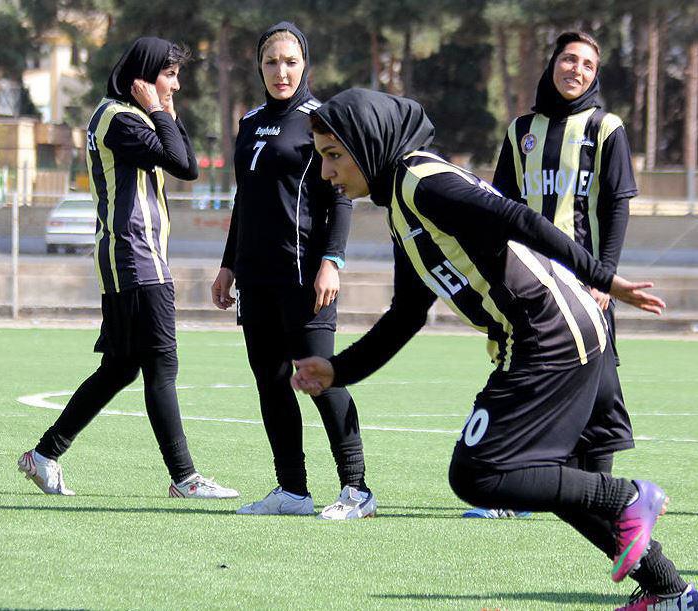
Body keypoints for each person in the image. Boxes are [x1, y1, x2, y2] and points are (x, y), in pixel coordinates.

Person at [291, 88, 695, 609]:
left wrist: (602, 277)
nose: (327, 173)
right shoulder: (401, 199)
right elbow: (409, 312)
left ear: (367, 143)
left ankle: (629, 497)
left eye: (333, 156)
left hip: (549, 333)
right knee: (549, 477)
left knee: (480, 472)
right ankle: (671, 591)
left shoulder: (423, 181)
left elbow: (518, 218)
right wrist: (338, 370)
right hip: (542, 335)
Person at [17, 37, 238, 500]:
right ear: (142, 77)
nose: (175, 85)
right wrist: (160, 111)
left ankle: (44, 455)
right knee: (162, 364)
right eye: (168, 75)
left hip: (135, 258)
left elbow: (186, 158)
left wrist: (162, 111)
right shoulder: (118, 119)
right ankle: (185, 478)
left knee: (120, 368)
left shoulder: (132, 116)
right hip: (135, 259)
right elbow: (185, 166)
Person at [464, 31, 638, 521]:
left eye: (586, 64)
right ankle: (519, 492)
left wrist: (603, 278)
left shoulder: (606, 127)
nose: (576, 70)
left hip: (586, 284)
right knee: (525, 372)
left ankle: (602, 493)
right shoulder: (523, 129)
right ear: (552, 64)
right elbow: (499, 206)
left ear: (595, 74)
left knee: (599, 386)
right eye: (568, 59)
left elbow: (618, 205)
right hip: (532, 283)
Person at [211, 22, 375, 519]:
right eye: (270, 62)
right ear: (259, 67)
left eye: (290, 62)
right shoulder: (250, 121)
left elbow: (342, 196)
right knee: (271, 381)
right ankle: (292, 490)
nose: (281, 71)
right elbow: (247, 200)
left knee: (320, 377)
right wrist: (227, 265)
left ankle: (356, 489)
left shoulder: (322, 119)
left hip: (306, 275)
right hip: (256, 277)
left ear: (305, 64)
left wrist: (333, 260)